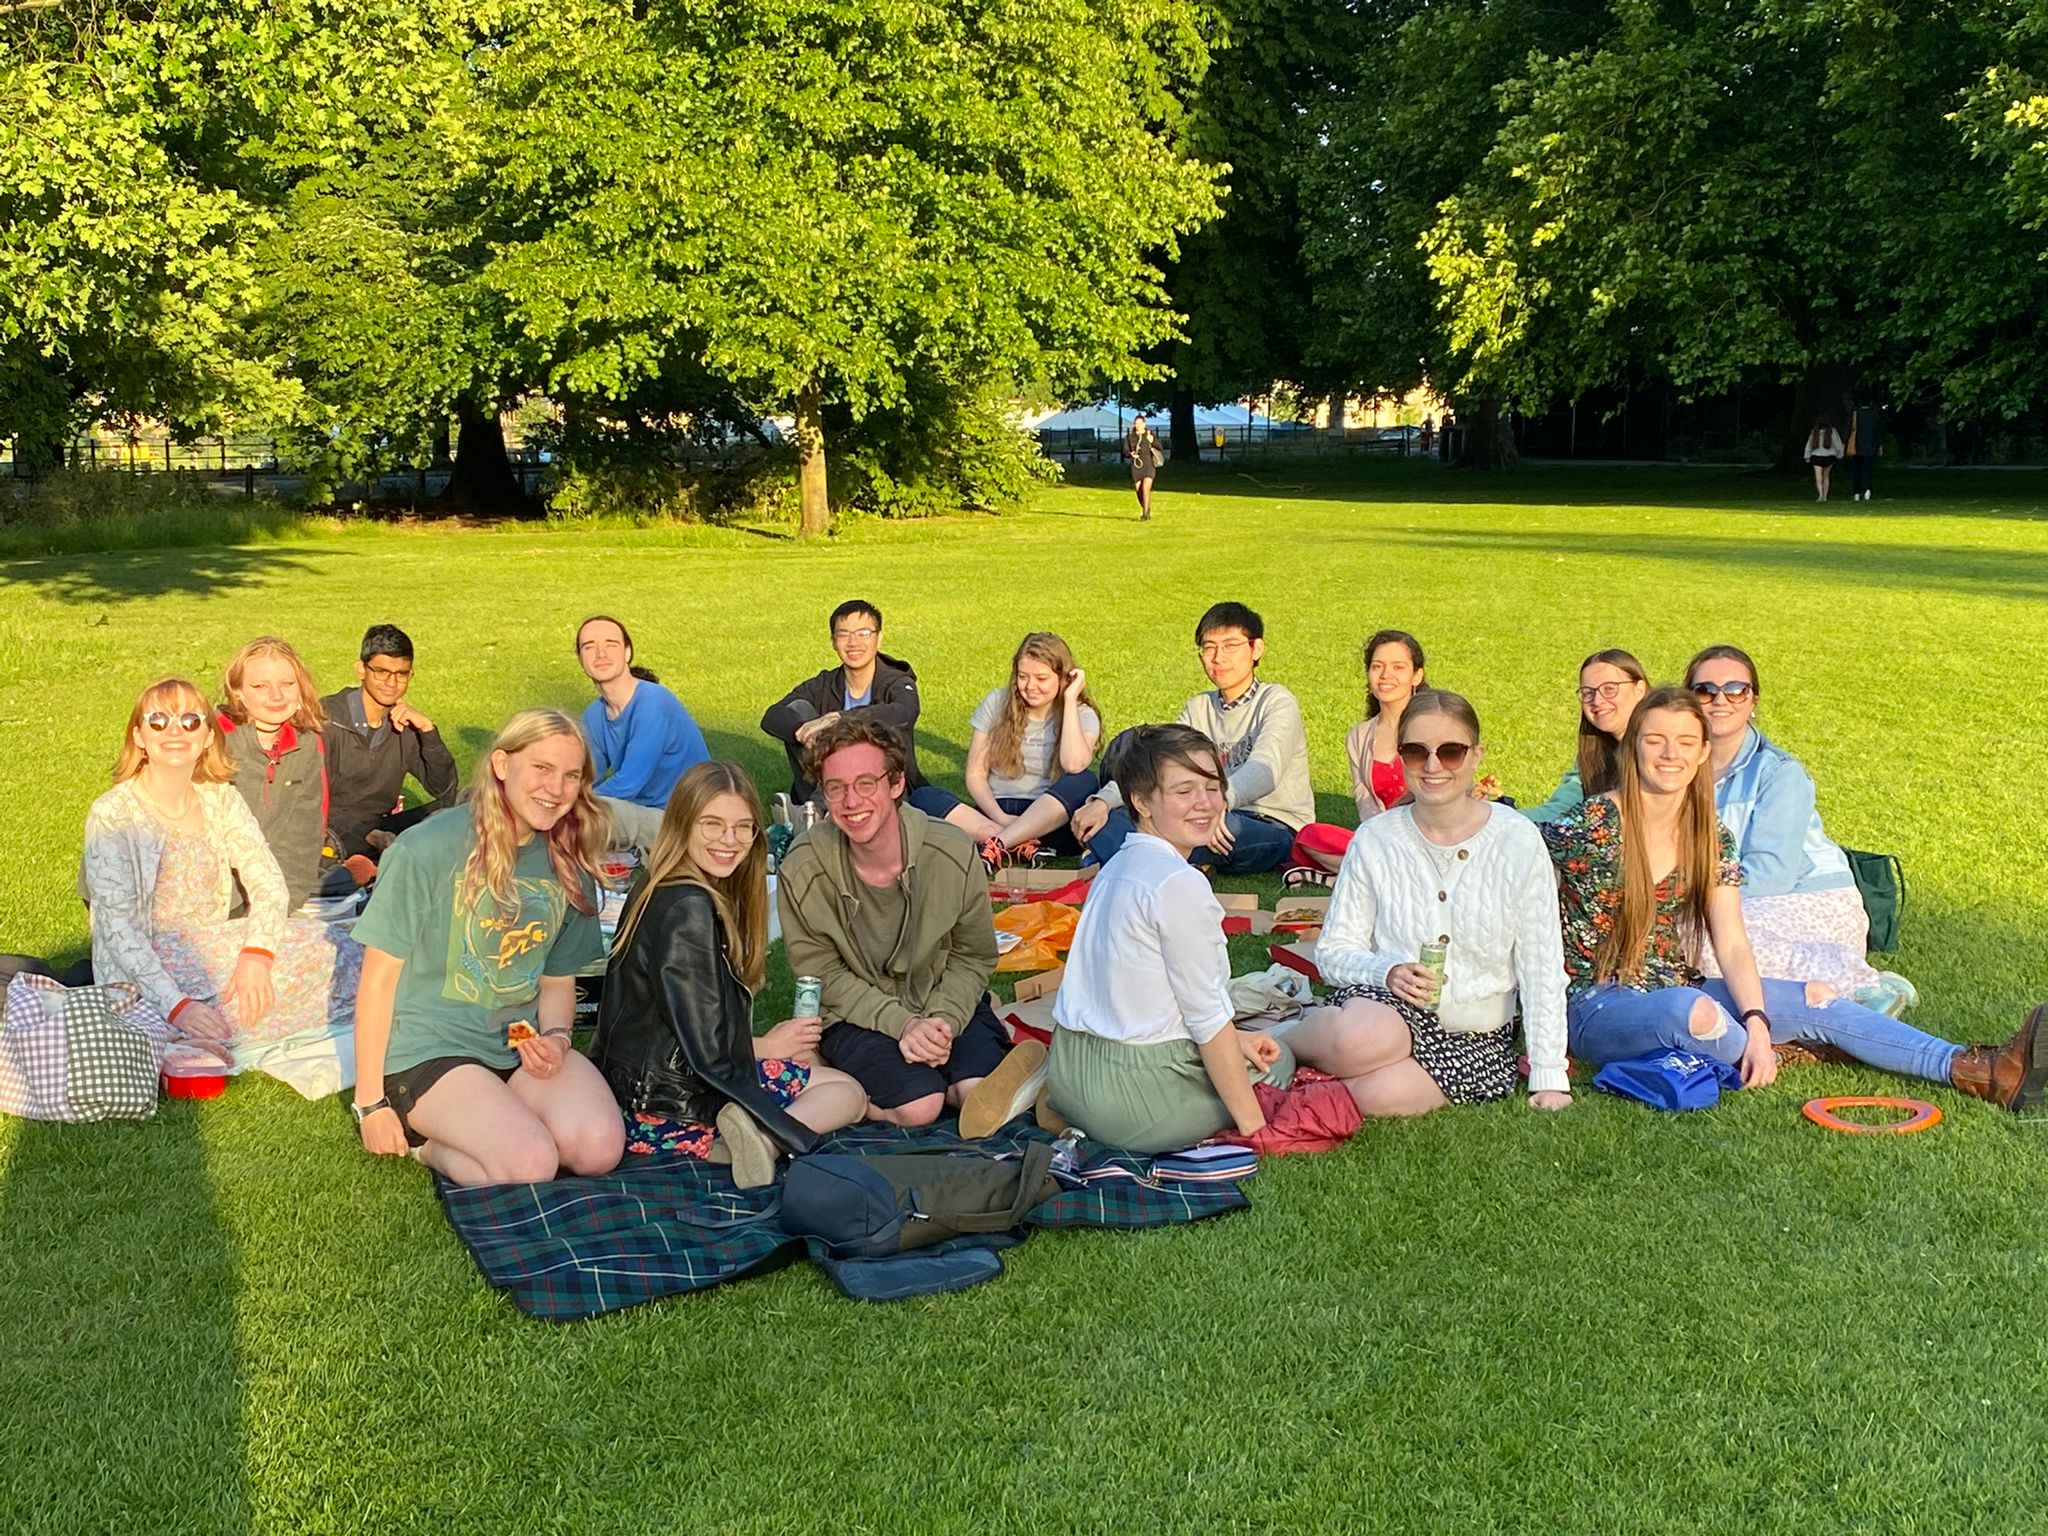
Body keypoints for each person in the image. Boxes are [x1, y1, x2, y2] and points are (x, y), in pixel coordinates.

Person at [1540, 686, 2047, 1110]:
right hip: (1596, 1004)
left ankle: (1976, 1069)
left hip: (1676, 983)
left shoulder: (1709, 835)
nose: (1670, 754)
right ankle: (1782, 1051)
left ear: (1701, 753)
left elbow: (1733, 941)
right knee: (1690, 1012)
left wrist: (1757, 1020)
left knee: (1815, 997)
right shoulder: (1591, 825)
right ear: (1632, 748)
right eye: (1655, 740)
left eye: (1684, 742)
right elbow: (1515, 869)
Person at [350, 709, 626, 1186]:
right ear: (502, 764)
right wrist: (370, 1103)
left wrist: (558, 1039)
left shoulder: (566, 860)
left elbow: (558, 980)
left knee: (598, 1149)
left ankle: (502, 1115)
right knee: (532, 1164)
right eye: (541, 768)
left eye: (571, 776)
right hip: (430, 1049)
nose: (556, 789)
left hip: (519, 1041)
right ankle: (427, 1146)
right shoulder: (427, 849)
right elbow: (377, 979)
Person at [1285, 691, 1571, 1115]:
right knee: (1366, 1040)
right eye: (1417, 752)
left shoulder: (1517, 840)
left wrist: (1549, 1075)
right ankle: (1267, 1043)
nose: (1434, 766)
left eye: (1451, 752)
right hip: (1386, 1010)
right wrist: (1387, 971)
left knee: (1378, 1095)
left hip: (1477, 1036)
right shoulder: (1376, 838)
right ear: (1402, 758)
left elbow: (1542, 965)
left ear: (1476, 756)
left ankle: (1291, 1068)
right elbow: (1332, 953)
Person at [592, 762, 867, 1186]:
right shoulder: (688, 907)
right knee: (846, 1093)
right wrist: (766, 1045)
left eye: (743, 827)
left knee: (826, 1076)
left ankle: (749, 1139)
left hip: (631, 1092)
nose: (730, 840)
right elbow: (705, 1049)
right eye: (712, 824)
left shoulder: (659, 884)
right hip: (668, 1106)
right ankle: (756, 1143)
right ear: (682, 824)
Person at [81, 677, 361, 1065]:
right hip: (145, 969)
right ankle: (184, 1031)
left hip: (213, 945)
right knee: (289, 982)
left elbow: (268, 882)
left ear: (208, 737)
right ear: (139, 737)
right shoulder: (113, 814)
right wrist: (177, 1006)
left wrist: (257, 957)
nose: (175, 731)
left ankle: (207, 1035)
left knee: (333, 947)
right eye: (158, 721)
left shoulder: (220, 798)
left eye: (190, 721)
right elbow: (117, 929)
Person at [1044, 725, 1290, 1152]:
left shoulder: (1117, 864)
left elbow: (1144, 994)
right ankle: (1108, 1121)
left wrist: (1239, 1041)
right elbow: (1207, 1020)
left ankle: (1062, 1106)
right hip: (1133, 1098)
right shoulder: (1179, 884)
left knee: (1248, 1045)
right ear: (1141, 801)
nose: (1205, 804)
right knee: (1280, 1060)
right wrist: (1255, 1129)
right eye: (1184, 791)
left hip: (1069, 1068)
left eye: (1212, 788)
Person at [775, 716, 1027, 1129]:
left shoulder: (950, 852)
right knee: (920, 1106)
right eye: (836, 788)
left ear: (895, 785)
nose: (852, 802)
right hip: (856, 1013)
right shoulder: (804, 867)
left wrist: (943, 1019)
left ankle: (967, 1067)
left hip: (941, 997)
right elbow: (820, 973)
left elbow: (974, 955)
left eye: (865, 784)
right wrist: (903, 1025)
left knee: (976, 1093)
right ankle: (850, 1094)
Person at [1685, 644, 1912, 1011]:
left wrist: (1693, 900)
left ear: (1753, 700)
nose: (1719, 700)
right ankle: (1804, 996)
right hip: (1735, 900)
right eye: (1705, 690)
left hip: (1808, 900)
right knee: (1685, 938)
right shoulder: (1681, 766)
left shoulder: (1778, 773)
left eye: (1735, 689)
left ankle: (1861, 984)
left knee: (1703, 939)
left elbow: (1772, 873)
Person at [1072, 602, 1312, 874]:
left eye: (1231, 646)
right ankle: (1184, 864)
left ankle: (1127, 857)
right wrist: (1102, 801)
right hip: (1202, 812)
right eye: (1209, 648)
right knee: (1115, 817)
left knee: (1201, 828)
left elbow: (1264, 771)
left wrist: (1219, 802)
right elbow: (1157, 765)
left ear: (1256, 649)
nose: (1218, 657)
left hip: (1270, 820)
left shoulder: (1276, 701)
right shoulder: (1199, 707)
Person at [911, 632, 1103, 864]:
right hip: (996, 808)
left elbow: (1074, 764)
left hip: (1050, 820)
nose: (1030, 686)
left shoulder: (1081, 714)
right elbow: (975, 774)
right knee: (922, 797)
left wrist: (1071, 698)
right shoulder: (997, 702)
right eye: (1023, 676)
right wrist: (1001, 818)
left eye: (1041, 678)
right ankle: (1020, 844)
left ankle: (998, 844)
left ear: (1063, 678)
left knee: (1084, 779)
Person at [321, 623, 460, 871]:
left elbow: (444, 789)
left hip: (382, 826)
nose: (392, 683)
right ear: (361, 670)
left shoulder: (405, 726)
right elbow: (310, 801)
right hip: (326, 829)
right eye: (381, 672)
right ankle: (372, 855)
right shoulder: (328, 719)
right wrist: (368, 834)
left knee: (463, 807)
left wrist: (428, 731)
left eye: (401, 674)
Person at [1288, 629, 1427, 875]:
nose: (1386, 675)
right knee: (1309, 837)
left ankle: (1362, 873)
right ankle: (1380, 870)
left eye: (1398, 667)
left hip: (1429, 834)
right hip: (1381, 839)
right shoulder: (1359, 736)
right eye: (1377, 667)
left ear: (1417, 675)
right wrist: (1380, 835)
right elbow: (1365, 802)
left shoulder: (1434, 726)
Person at [760, 599, 924, 806]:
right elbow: (771, 716)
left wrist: (838, 719)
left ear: (879, 638)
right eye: (844, 634)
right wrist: (802, 730)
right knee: (798, 709)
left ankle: (815, 812)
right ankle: (820, 807)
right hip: (827, 782)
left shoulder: (896, 682)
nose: (853, 642)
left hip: (883, 788)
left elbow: (905, 712)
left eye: (863, 633)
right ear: (833, 641)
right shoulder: (825, 684)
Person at [574, 615, 709, 849]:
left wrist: (575, 805)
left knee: (592, 815)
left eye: (611, 644)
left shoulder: (653, 703)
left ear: (627, 653)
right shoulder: (595, 714)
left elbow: (628, 783)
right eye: (589, 647)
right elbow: (584, 776)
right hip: (645, 813)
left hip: (687, 819)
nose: (601, 654)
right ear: (580, 659)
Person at [218, 636, 332, 909]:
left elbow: (305, 836)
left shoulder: (307, 743)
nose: (277, 696)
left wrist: (280, 905)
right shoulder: (213, 739)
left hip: (275, 897)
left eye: (287, 684)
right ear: (238, 693)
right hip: (212, 896)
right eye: (260, 686)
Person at [1521, 648, 1650, 824]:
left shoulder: (1662, 748)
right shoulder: (1594, 753)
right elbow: (1559, 810)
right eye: (1588, 693)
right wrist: (1498, 816)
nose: (1597, 701)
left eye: (1610, 689)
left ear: (1639, 689)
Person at [1125, 414, 1165, 520]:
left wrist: (1152, 441)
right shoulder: (1130, 437)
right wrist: (1131, 454)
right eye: (1136, 423)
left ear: (1144, 424)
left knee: (1145, 489)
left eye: (1140, 423)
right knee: (1139, 491)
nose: (1138, 425)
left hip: (1148, 465)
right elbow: (1125, 451)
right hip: (1136, 466)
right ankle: (1146, 508)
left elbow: (1160, 447)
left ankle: (1145, 514)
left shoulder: (1149, 434)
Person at [1846, 400, 1881, 502]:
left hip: (1857, 446)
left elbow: (1849, 429)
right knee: (1867, 470)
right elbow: (1878, 431)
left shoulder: (1855, 414)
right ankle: (1867, 490)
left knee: (1856, 471)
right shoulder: (1875, 414)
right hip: (1870, 447)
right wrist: (1879, 445)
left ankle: (1856, 492)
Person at [1804, 418, 1845, 502]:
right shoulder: (1832, 431)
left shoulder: (1814, 432)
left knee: (1818, 477)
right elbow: (1837, 443)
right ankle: (1825, 496)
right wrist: (1840, 454)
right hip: (1829, 456)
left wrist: (1807, 456)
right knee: (1826, 476)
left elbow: (1809, 444)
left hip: (1816, 456)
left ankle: (1820, 495)